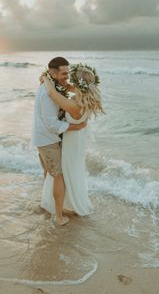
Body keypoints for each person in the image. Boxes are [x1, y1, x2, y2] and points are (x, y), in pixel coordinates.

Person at [39, 61, 106, 219]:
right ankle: (68, 202)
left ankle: (66, 206)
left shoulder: (75, 105)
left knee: (66, 172)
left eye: (72, 78)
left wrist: (46, 78)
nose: (68, 79)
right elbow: (68, 87)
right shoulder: (84, 98)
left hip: (71, 143)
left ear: (78, 83)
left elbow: (51, 94)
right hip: (77, 141)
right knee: (72, 171)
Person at [31, 57, 87, 226]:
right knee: (58, 176)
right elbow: (52, 124)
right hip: (47, 140)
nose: (67, 76)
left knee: (49, 174)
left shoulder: (49, 86)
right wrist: (74, 127)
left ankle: (46, 204)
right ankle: (58, 216)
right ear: (53, 73)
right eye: (63, 73)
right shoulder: (48, 94)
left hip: (42, 138)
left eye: (68, 73)